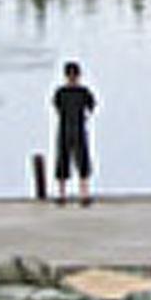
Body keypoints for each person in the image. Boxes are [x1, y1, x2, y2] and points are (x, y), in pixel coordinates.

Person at [52, 60, 98, 205]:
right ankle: (62, 194)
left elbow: (91, 106)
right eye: (70, 75)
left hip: (78, 128)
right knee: (62, 160)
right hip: (65, 128)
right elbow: (57, 107)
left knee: (82, 160)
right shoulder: (61, 92)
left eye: (74, 75)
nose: (72, 77)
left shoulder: (83, 92)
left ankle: (84, 194)